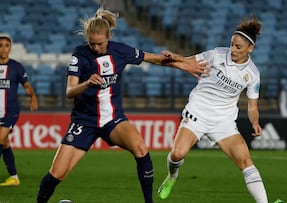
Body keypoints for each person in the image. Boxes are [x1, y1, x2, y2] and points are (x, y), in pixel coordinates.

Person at [36, 9, 208, 203]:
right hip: (84, 121)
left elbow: (156, 59)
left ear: (108, 37)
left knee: (141, 148)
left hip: (113, 119)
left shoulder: (120, 51)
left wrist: (184, 64)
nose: (96, 48)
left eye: (100, 43)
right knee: (58, 173)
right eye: (92, 43)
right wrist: (86, 83)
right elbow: (69, 91)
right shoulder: (80, 55)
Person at [157, 16, 268, 203]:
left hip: (223, 122)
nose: (233, 49)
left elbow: (252, 105)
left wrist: (255, 122)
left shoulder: (253, 74)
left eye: (238, 47)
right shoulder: (217, 55)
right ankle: (172, 176)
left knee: (246, 162)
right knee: (177, 154)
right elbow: (190, 61)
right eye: (232, 44)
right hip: (198, 113)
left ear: (251, 48)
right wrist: (175, 57)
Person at [0, 34, 38, 186]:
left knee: (0, 139)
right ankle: (14, 177)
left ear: (10, 48)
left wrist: (33, 98)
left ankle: (14, 177)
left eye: (6, 45)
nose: (3, 49)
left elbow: (27, 86)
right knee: (5, 143)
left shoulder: (16, 67)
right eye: (0, 45)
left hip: (10, 111)